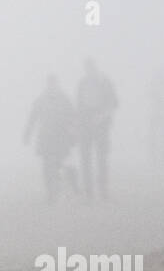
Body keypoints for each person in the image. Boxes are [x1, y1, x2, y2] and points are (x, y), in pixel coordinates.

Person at [23, 75, 76, 204]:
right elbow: (33, 117)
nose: (52, 86)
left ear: (56, 84)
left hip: (61, 138)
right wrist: (27, 133)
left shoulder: (64, 99)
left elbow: (73, 117)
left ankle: (57, 188)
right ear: (47, 85)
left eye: (53, 84)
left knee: (57, 164)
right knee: (47, 166)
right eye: (50, 84)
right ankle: (50, 192)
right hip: (46, 137)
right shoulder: (41, 100)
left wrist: (74, 134)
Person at [76, 58, 118, 199]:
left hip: (101, 125)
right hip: (85, 125)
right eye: (86, 68)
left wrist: (102, 116)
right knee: (86, 159)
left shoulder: (104, 82)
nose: (88, 70)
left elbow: (114, 102)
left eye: (90, 68)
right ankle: (89, 193)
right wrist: (78, 123)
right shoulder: (82, 83)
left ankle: (103, 192)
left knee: (101, 158)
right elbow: (79, 105)